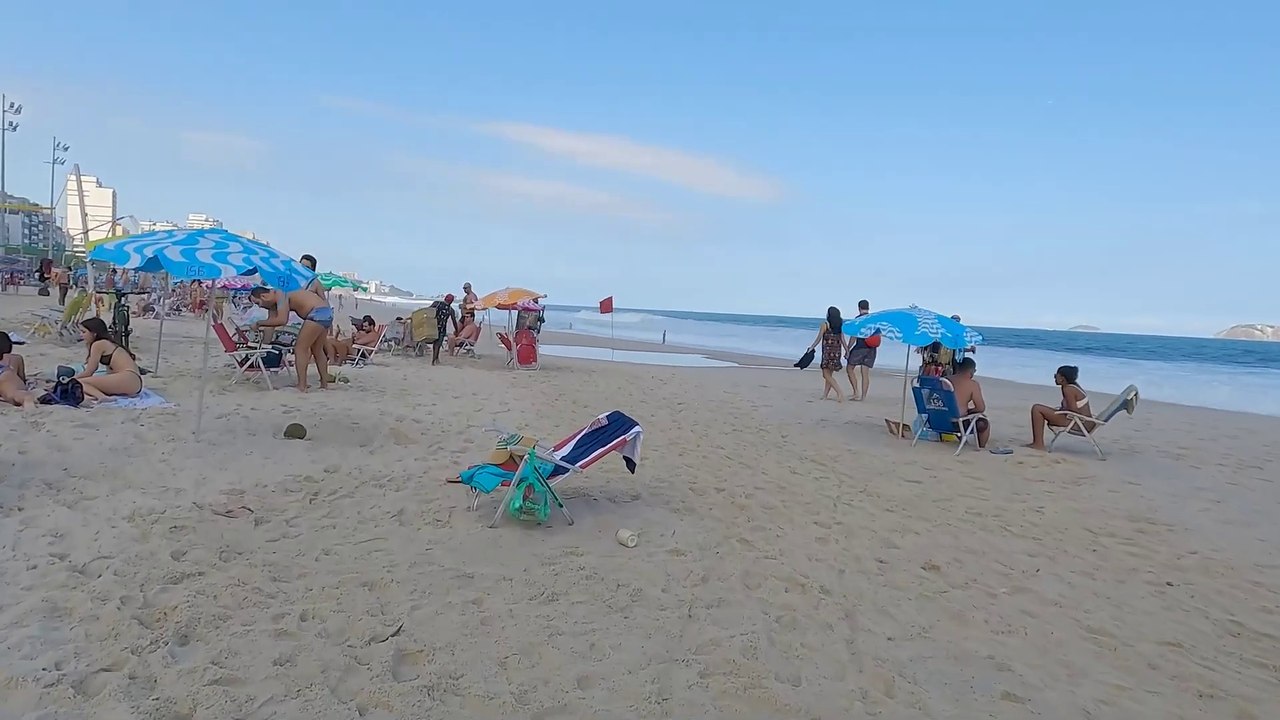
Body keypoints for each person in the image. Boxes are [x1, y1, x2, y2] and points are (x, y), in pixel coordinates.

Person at [250, 286, 332, 391]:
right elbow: (271, 324)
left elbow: (282, 320)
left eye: (258, 303)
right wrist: (264, 345)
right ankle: (324, 384)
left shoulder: (280, 295)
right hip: (326, 312)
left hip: (316, 313)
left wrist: (258, 323)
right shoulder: (276, 301)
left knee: (300, 349)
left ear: (264, 296)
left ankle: (302, 385)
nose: (260, 307)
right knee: (317, 350)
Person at [75, 318, 143, 401]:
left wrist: (72, 379)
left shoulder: (98, 344)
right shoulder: (108, 343)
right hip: (133, 381)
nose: (81, 335)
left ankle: (102, 397)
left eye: (84, 332)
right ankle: (93, 398)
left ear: (94, 333)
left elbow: (89, 371)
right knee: (84, 387)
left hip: (127, 378)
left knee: (78, 383)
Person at [1027, 365, 1092, 451]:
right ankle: (1038, 443)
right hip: (1085, 422)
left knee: (1037, 409)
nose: (1054, 378)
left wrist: (1060, 411)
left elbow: (1073, 410)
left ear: (1062, 378)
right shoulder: (1074, 386)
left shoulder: (1068, 389)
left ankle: (1038, 444)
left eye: (1055, 376)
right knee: (1041, 409)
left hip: (1078, 424)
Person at [807, 306, 849, 401]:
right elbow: (842, 339)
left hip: (828, 352)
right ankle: (825, 395)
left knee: (826, 375)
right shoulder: (840, 325)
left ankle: (839, 392)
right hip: (837, 352)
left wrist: (812, 347)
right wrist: (847, 350)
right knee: (829, 375)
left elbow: (819, 338)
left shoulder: (825, 324)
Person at [947, 357, 991, 449]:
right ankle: (981, 447)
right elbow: (981, 408)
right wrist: (969, 411)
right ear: (972, 371)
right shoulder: (972, 384)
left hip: (938, 419)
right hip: (958, 424)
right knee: (983, 423)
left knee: (961, 414)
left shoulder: (944, 380)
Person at [845, 299, 876, 400]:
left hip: (860, 347)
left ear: (859, 308)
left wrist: (848, 349)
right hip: (872, 348)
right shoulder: (873, 319)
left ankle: (855, 392)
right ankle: (863, 397)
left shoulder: (858, 319)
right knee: (865, 373)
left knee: (849, 368)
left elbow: (853, 336)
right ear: (868, 307)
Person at [0, 332, 37, 410]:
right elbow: (22, 378)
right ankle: (29, 406)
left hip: (4, 375)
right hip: (5, 374)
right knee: (18, 395)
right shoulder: (16, 358)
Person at [429, 293, 459, 365]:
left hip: (434, 326)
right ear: (451, 302)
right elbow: (454, 321)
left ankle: (435, 359)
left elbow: (428, 311)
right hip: (442, 328)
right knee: (438, 344)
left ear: (445, 298)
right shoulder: (450, 310)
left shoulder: (437, 303)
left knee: (435, 344)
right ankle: (434, 359)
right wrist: (457, 330)